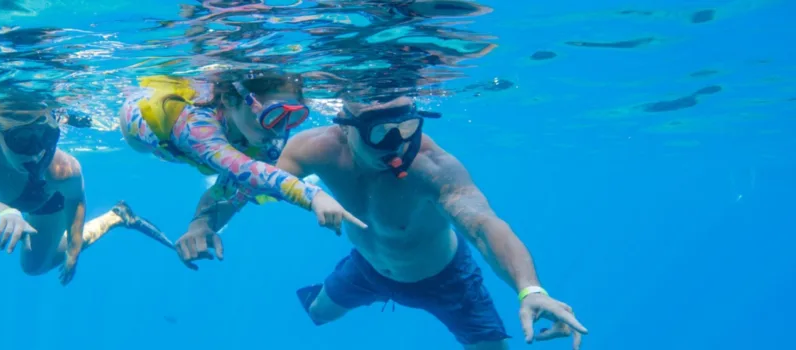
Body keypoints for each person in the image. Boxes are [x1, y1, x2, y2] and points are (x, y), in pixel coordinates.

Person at [177, 96, 589, 349]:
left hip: (446, 280)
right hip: (367, 267)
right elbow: (247, 181)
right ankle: (333, 292)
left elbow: (484, 226)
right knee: (319, 315)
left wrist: (529, 289)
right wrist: (202, 223)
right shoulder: (316, 149)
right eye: (381, 133)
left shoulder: (433, 167)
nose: (399, 145)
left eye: (407, 127)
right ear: (345, 126)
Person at [118, 74, 365, 267]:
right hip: (142, 131)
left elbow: (233, 190)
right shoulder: (196, 127)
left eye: (291, 117)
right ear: (229, 99)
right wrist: (313, 196)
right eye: (272, 114)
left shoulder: (265, 134)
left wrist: (200, 226)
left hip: (204, 149)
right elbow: (244, 170)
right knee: (143, 149)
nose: (279, 130)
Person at [0, 93, 175, 285]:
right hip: (11, 202)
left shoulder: (61, 170)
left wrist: (73, 250)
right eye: (22, 139)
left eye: (46, 137)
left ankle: (116, 216)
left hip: (43, 200)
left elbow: (76, 199)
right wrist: (4, 212)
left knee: (33, 267)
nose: (36, 151)